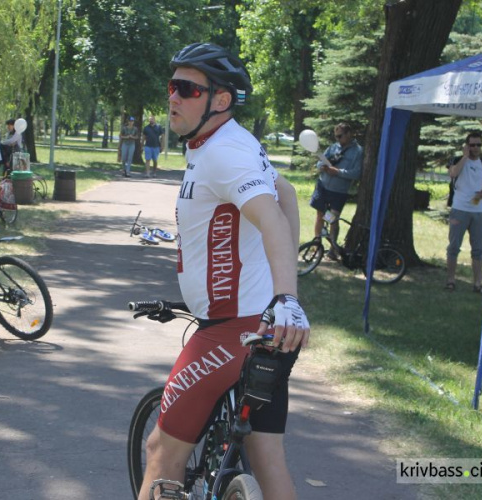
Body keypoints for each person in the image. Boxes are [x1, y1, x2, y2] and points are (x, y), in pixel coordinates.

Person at [137, 43, 310, 500]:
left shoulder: (222, 153)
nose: (172, 96)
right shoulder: (231, 142)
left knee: (161, 452)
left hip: (230, 332)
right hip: (264, 331)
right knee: (267, 461)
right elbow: (286, 193)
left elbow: (271, 215)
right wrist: (283, 296)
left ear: (220, 100)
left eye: (186, 89)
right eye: (171, 86)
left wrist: (286, 297)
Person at [445, 131, 482, 293]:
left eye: (478, 145)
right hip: (459, 209)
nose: (475, 148)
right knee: (454, 246)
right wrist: (465, 156)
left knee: (478, 249)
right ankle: (451, 280)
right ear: (467, 145)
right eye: (472, 145)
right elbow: (452, 173)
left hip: (478, 211)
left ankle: (477, 284)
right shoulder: (458, 160)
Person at [309, 122, 363, 258]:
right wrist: (322, 166)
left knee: (332, 219)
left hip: (338, 191)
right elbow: (320, 162)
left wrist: (338, 172)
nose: (337, 139)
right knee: (320, 215)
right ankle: (317, 246)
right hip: (323, 186)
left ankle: (333, 250)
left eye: (340, 136)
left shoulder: (358, 151)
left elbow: (356, 173)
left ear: (349, 134)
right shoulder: (333, 147)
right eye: (336, 136)